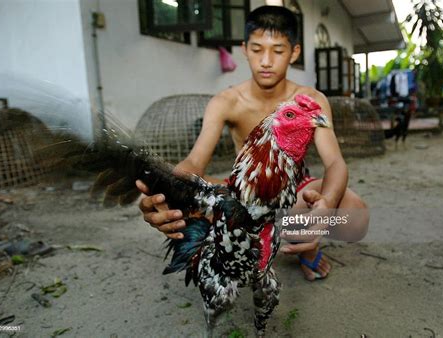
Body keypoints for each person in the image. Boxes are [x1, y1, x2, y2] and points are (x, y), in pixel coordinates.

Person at [136, 6, 369, 281]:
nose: (266, 61)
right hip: (242, 193)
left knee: (356, 218)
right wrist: (166, 190)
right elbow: (195, 163)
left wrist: (326, 205)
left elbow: (334, 162)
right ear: (245, 49)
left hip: (292, 191)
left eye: (278, 51)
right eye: (257, 49)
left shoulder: (310, 99)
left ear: (294, 52)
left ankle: (302, 239)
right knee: (191, 194)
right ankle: (250, 242)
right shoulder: (226, 101)